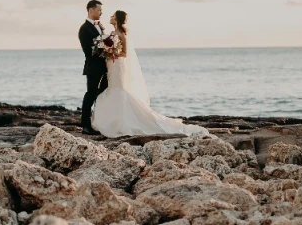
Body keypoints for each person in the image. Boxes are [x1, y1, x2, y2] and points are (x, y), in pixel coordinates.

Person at [91, 10, 213, 138]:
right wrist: (106, 50)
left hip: (118, 65)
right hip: (111, 65)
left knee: (118, 90)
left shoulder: (121, 34)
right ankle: (113, 118)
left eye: (113, 16)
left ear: (117, 19)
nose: (110, 17)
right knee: (113, 88)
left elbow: (125, 53)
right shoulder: (112, 33)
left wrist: (111, 51)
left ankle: (123, 121)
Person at [78, 0, 108, 135]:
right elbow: (88, 51)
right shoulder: (84, 29)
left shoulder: (100, 26)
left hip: (105, 67)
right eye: (99, 10)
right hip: (93, 67)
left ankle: (100, 122)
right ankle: (85, 125)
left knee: (102, 95)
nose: (101, 12)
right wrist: (105, 49)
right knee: (90, 95)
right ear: (91, 10)